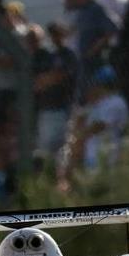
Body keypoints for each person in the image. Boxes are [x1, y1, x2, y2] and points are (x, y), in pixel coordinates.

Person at [64, 0, 117, 95]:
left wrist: (93, 50)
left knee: (93, 91)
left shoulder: (96, 8)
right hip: (81, 60)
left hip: (95, 62)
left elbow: (112, 29)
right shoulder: (80, 10)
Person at [32, 23, 77, 161]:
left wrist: (48, 79)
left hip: (63, 106)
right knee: (45, 149)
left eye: (58, 33)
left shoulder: (68, 54)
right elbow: (37, 81)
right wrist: (46, 79)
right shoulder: (47, 55)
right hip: (46, 107)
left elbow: (60, 75)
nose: (55, 37)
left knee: (63, 147)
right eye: (53, 34)